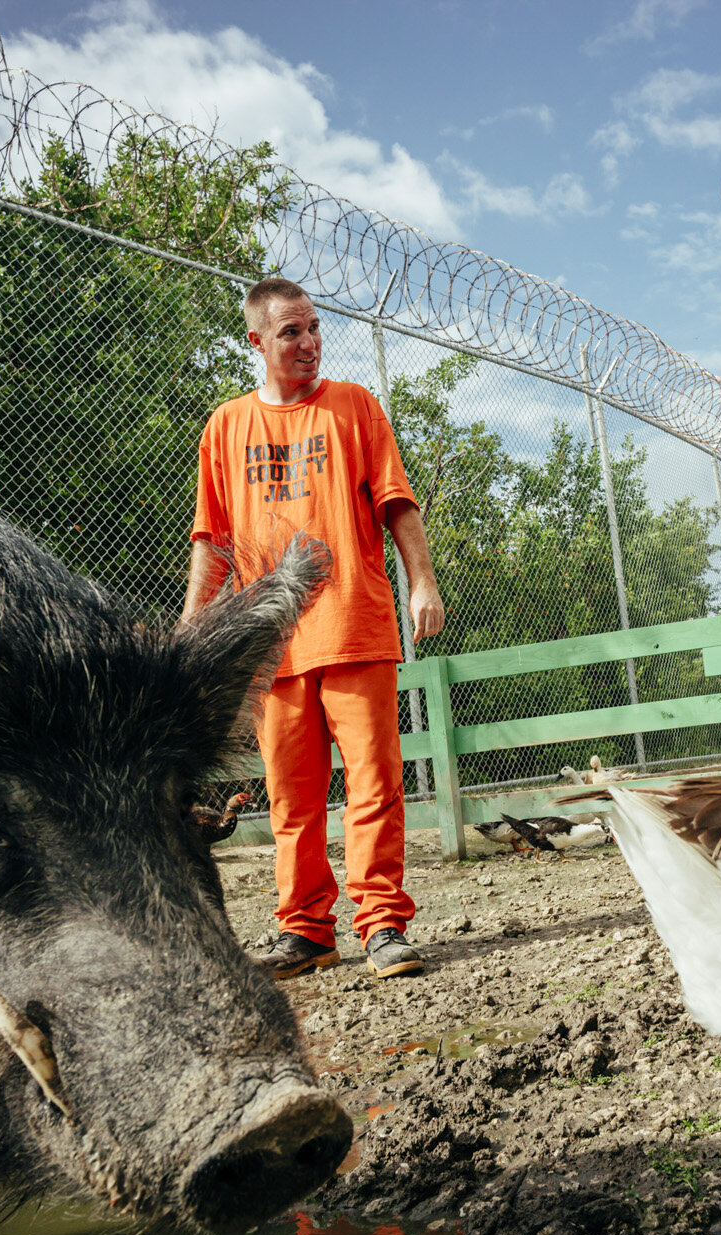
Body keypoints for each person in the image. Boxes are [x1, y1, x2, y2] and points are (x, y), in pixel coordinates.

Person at [183, 276, 445, 979]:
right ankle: (305, 930)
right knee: (291, 801)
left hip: (354, 623)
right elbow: (212, 541)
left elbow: (399, 504)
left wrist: (422, 579)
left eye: (314, 328)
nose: (308, 343)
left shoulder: (355, 407)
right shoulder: (225, 427)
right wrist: (192, 628)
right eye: (291, 332)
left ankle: (383, 924)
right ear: (258, 342)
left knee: (374, 783)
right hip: (270, 639)